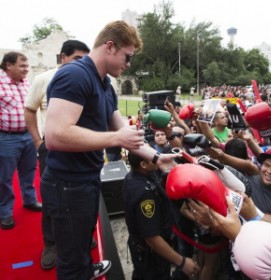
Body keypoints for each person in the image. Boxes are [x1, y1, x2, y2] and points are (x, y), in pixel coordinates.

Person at [42, 20, 177, 279]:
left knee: (82, 243)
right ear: (110, 47)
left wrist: (157, 157)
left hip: (87, 179)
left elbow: (122, 128)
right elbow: (56, 136)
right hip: (67, 184)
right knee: (70, 260)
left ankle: (85, 267)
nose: (128, 65)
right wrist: (116, 139)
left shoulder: (104, 83)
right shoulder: (75, 75)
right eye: (127, 57)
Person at [24, 39, 90, 270]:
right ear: (63, 57)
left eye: (86, 59)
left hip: (82, 151)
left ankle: (81, 238)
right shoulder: (43, 79)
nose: (83, 64)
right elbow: (30, 109)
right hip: (51, 151)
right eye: (77, 59)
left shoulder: (89, 78)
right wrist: (38, 142)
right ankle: (51, 244)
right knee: (53, 200)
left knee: (82, 197)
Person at [123, 151, 199, 280]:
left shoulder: (136, 175)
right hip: (151, 255)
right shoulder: (146, 196)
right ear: (143, 164)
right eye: (152, 158)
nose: (157, 159)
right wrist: (181, 261)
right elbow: (152, 238)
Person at [0, 51, 42, 230]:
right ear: (8, 65)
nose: (27, 69)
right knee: (5, 177)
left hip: (28, 135)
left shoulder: (26, 83)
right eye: (22, 66)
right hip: (6, 138)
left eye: (27, 66)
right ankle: (5, 213)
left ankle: (30, 201)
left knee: (29, 171)